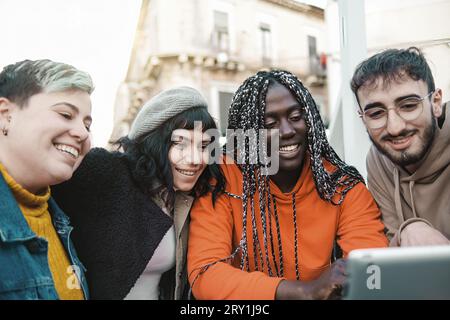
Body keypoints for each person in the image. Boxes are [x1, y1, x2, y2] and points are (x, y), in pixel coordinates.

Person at [187, 69, 388, 300]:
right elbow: (206, 274)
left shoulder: (341, 185)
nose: (287, 131)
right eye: (269, 123)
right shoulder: (223, 178)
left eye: (295, 117)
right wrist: (305, 291)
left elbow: (372, 269)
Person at [52, 86, 225, 299]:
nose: (196, 159)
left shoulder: (189, 198)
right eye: (180, 143)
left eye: (203, 146)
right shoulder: (105, 172)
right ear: (154, 142)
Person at [0, 59, 94, 299]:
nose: (82, 133)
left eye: (87, 124)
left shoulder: (62, 220)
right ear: (5, 116)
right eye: (65, 114)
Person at [351, 47, 450, 247]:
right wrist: (409, 229)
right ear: (363, 119)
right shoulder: (378, 160)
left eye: (409, 105)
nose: (395, 128)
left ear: (436, 102)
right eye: (376, 113)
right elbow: (393, 256)